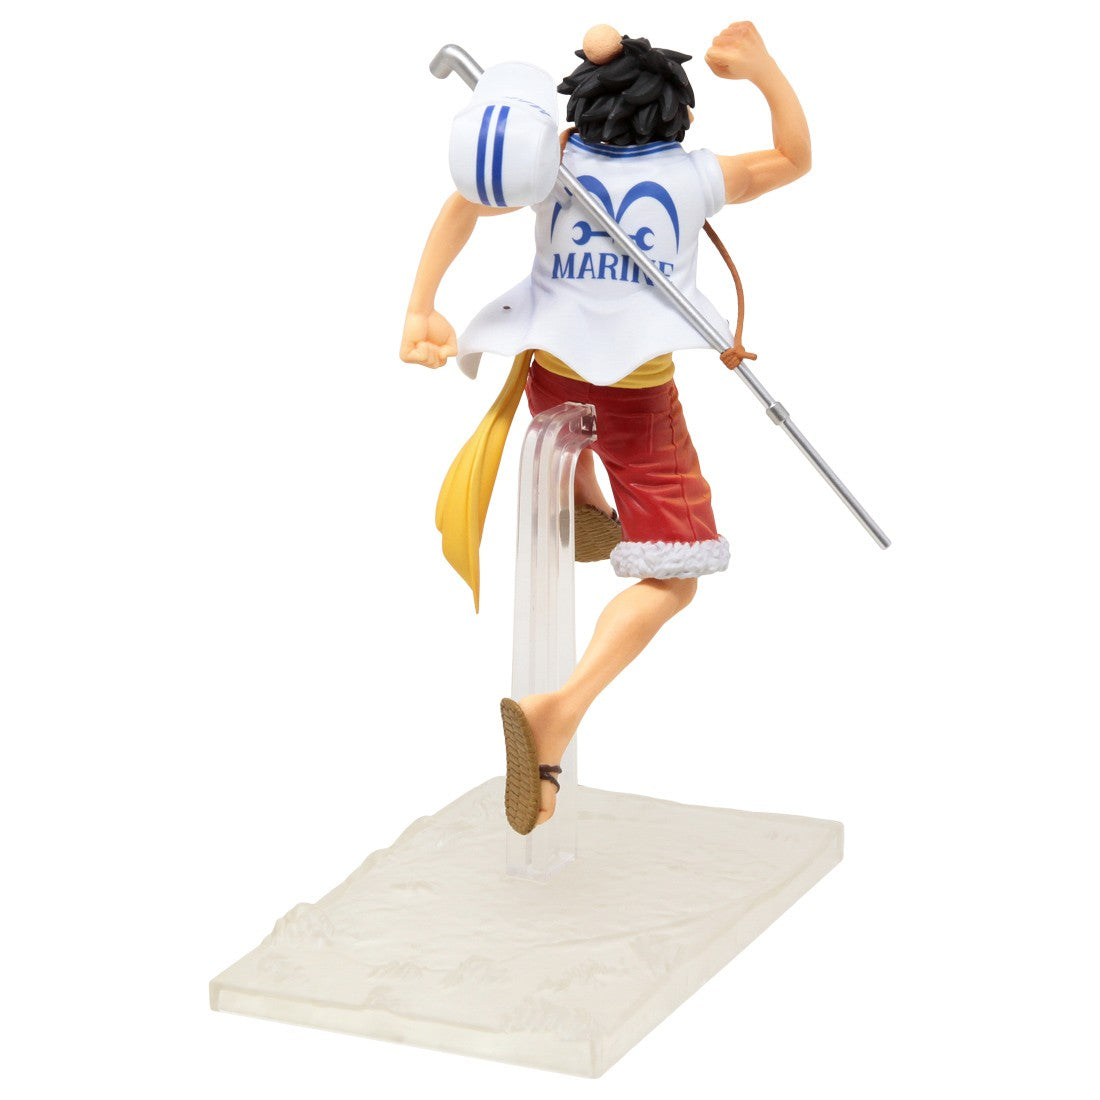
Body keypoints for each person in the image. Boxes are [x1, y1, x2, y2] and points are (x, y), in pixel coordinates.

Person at [400, 22, 811, 834]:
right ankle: (556, 712)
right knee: (676, 576)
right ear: (679, 116)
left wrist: (420, 306)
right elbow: (793, 158)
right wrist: (764, 70)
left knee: (572, 428)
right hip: (636, 403)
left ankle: (586, 502)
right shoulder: (696, 176)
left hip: (547, 380)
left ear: (579, 107)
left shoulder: (550, 160)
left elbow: (465, 200)